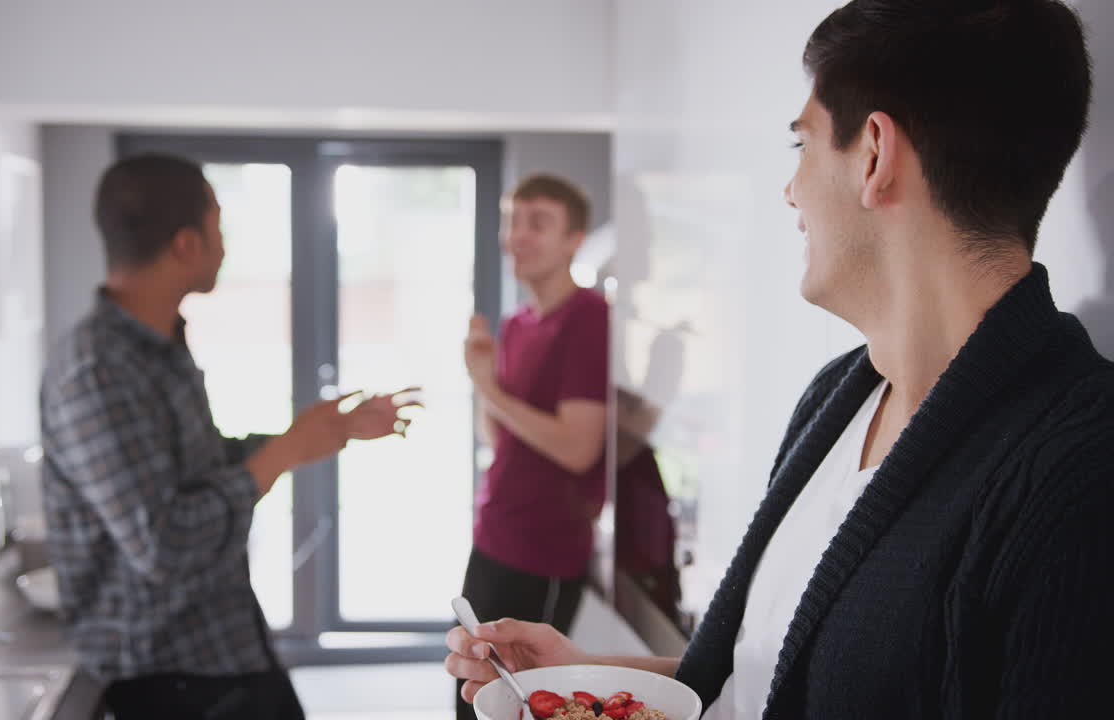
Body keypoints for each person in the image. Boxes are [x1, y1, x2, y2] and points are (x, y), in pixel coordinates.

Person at [447, 1, 1114, 718]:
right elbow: (773, 674)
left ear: (874, 157)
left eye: (803, 146)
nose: (790, 190)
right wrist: (595, 676)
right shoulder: (836, 398)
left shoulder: (1080, 473)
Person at [40, 154, 417, 720]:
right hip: (167, 678)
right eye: (220, 228)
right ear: (187, 243)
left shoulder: (159, 346)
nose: (225, 246)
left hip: (221, 644)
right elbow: (164, 545)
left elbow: (201, 464)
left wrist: (316, 434)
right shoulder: (96, 371)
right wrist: (285, 451)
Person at [459, 174, 609, 720]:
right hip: (496, 532)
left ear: (574, 239)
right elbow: (496, 436)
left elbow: (577, 448)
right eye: (513, 220)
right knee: (471, 695)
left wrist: (485, 386)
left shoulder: (590, 318)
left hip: (545, 549)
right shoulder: (518, 322)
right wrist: (485, 375)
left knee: (523, 705)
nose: (517, 236)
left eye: (538, 223)